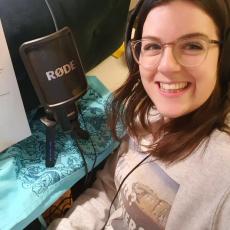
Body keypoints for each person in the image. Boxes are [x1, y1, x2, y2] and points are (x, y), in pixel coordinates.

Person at [48, 0, 230, 229]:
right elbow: (110, 187)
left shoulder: (224, 178)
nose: (167, 66)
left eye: (193, 45)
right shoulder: (147, 110)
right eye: (153, 46)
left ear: (224, 57)